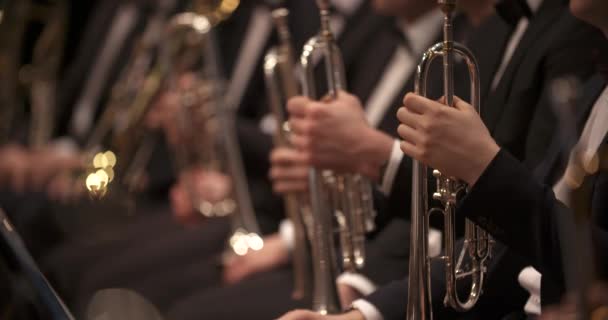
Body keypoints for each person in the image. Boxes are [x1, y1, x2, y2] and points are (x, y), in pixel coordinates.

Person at [276, 0, 608, 319]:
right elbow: (510, 244)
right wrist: (367, 312)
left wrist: (479, 168)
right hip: (437, 285)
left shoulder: (566, 34)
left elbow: (539, 231)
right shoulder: (505, 35)